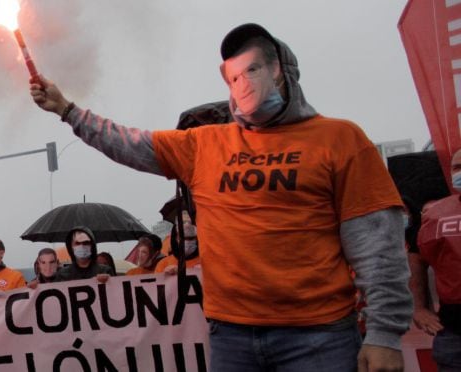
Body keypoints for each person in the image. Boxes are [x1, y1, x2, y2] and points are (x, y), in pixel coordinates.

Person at [31, 23, 409, 371]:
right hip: (231, 338)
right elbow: (128, 143)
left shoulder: (340, 139)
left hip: (318, 337)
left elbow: (378, 244)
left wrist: (385, 334)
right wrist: (67, 109)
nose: (243, 84)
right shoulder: (205, 144)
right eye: (234, 76)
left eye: (255, 70)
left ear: (283, 70)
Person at [413, 149, 461, 370]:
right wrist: (419, 307)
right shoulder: (436, 214)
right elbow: (417, 257)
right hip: (455, 330)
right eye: (457, 168)